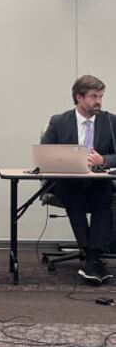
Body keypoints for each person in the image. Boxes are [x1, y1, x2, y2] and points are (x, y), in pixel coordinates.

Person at [41, 75, 116, 284]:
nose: (99, 101)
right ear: (79, 97)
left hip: (98, 181)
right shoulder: (59, 121)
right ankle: (93, 259)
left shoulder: (110, 121)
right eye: (94, 96)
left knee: (105, 199)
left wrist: (103, 159)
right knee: (73, 196)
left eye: (101, 96)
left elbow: (115, 155)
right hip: (68, 181)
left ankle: (91, 258)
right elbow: (45, 152)